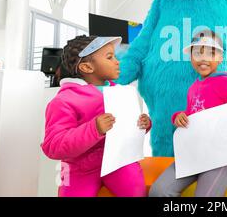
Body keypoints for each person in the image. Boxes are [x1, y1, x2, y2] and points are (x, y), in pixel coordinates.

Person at [149, 30, 227, 197]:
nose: (204, 58)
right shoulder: (194, 87)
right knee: (158, 191)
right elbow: (193, 114)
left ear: (221, 57)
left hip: (222, 157)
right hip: (194, 154)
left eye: (211, 52)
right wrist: (178, 116)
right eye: (198, 52)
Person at [41, 35, 152, 197]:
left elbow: (127, 131)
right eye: (109, 57)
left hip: (118, 162)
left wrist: (143, 125)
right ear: (87, 68)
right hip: (78, 169)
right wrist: (94, 129)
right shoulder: (63, 101)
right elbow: (53, 146)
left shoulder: (120, 93)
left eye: (114, 56)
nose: (117, 61)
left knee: (135, 191)